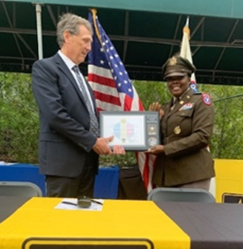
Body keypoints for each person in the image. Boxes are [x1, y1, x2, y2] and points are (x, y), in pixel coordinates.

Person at [32, 13, 125, 198]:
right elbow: (55, 115)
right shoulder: (45, 68)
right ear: (67, 37)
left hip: (88, 164)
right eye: (85, 41)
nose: (89, 48)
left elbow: (89, 118)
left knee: (83, 223)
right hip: (63, 166)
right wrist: (92, 142)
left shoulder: (80, 77)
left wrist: (112, 141)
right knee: (61, 222)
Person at [145, 55, 215, 191]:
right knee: (163, 213)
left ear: (189, 79)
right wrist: (152, 123)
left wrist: (166, 149)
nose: (174, 82)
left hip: (192, 175)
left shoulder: (200, 101)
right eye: (170, 79)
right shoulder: (165, 108)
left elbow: (202, 136)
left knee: (191, 213)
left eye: (179, 78)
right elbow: (157, 139)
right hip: (165, 175)